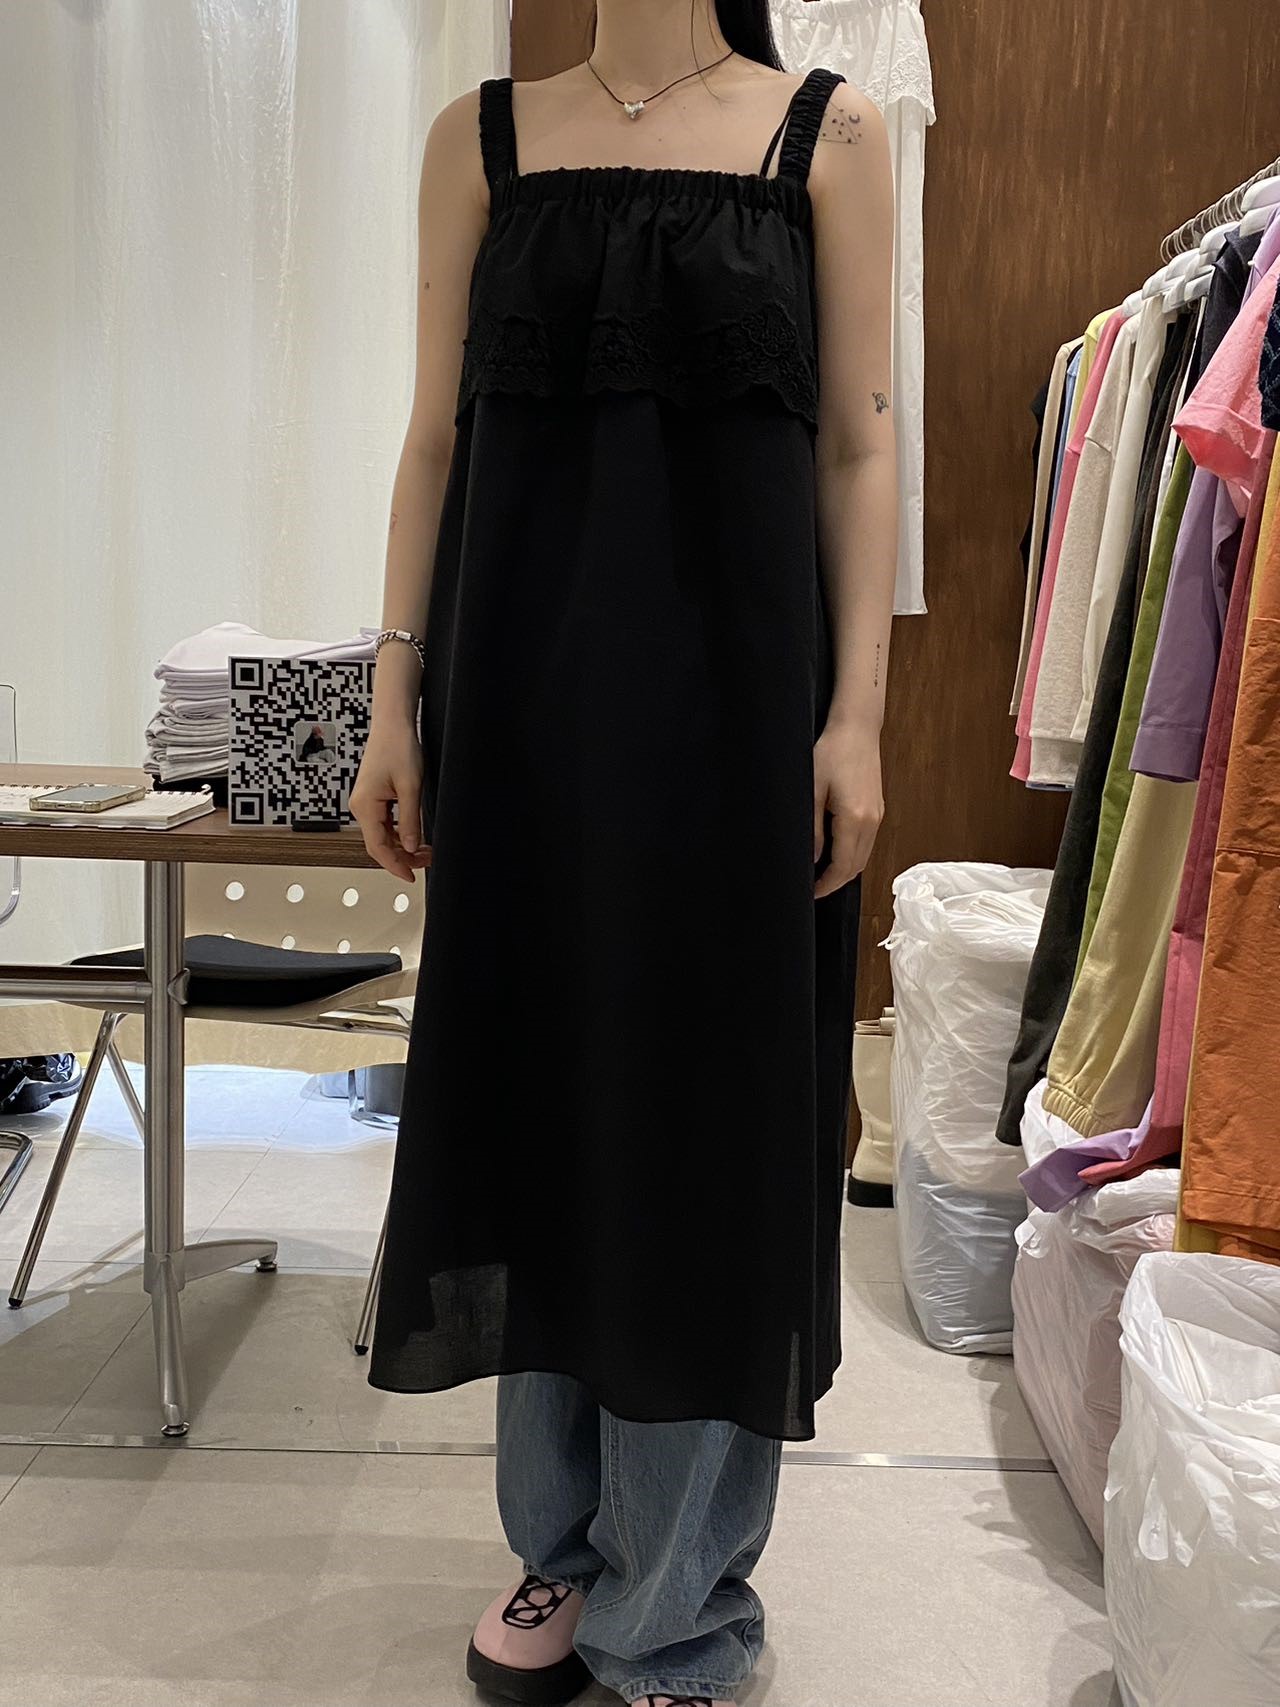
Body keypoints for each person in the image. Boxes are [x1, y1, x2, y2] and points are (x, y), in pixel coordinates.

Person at [350, 2, 897, 1702]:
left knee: (709, 1137)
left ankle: (677, 1600)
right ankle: (564, 1546)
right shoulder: (480, 140)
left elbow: (860, 442)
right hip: (523, 713)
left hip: (739, 719)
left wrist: (858, 716)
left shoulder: (832, 134)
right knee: (544, 1111)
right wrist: (392, 697)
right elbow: (435, 435)